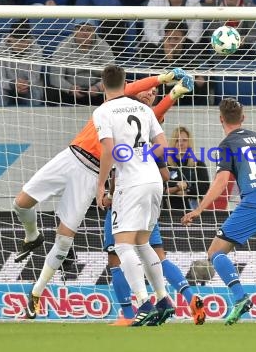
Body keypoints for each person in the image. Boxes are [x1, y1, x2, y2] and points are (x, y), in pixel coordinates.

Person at [13, 68, 193, 319]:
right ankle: (32, 237)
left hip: (96, 174)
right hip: (72, 156)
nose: (150, 93)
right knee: (20, 203)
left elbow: (153, 117)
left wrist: (172, 94)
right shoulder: (112, 106)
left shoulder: (138, 113)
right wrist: (164, 82)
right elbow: (134, 94)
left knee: (66, 241)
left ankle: (35, 295)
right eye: (147, 90)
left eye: (153, 92)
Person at [181, 98, 256, 325]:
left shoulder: (227, 144)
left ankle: (240, 298)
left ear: (221, 119)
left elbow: (220, 184)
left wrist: (198, 209)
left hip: (255, 202)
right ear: (243, 117)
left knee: (215, 253)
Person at [104, 90, 206, 327]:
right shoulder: (148, 134)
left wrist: (108, 191)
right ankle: (186, 299)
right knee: (156, 253)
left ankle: (130, 314)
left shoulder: (119, 128)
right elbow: (164, 174)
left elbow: (111, 163)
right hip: (149, 196)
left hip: (127, 197)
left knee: (117, 255)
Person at [93, 65, 173, 327]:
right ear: (126, 83)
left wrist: (101, 185)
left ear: (103, 85)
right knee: (142, 243)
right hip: (153, 180)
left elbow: (108, 151)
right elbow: (163, 146)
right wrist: (142, 157)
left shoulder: (103, 111)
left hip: (131, 183)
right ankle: (162, 299)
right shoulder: (143, 109)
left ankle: (143, 303)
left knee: (123, 245)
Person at [47, 19, 115, 106]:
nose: (84, 33)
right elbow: (55, 77)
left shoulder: (103, 46)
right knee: (51, 93)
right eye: (81, 29)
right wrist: (70, 88)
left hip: (97, 91)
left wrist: (98, 87)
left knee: (113, 91)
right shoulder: (64, 45)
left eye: (88, 30)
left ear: (94, 31)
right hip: (69, 90)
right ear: (74, 31)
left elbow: (111, 75)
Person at [0, 20, 44, 107]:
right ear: (10, 38)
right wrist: (13, 84)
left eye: (24, 41)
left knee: (35, 93)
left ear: (29, 40)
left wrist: (25, 84)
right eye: (18, 41)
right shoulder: (0, 49)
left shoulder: (37, 50)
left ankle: (33, 119)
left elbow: (35, 78)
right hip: (6, 87)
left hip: (27, 88)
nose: (21, 44)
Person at [164, 126, 210, 210]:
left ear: (189, 143)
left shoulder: (198, 164)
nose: (180, 143)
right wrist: (178, 188)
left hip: (193, 212)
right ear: (172, 143)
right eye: (177, 140)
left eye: (184, 140)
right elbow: (163, 189)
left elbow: (204, 187)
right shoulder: (166, 166)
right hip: (170, 212)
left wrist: (186, 190)